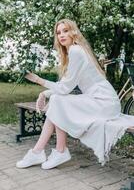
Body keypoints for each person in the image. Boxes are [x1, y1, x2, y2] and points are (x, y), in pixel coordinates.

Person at [16, 19, 134, 169]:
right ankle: (51, 151)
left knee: (59, 100)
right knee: (58, 101)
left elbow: (64, 89)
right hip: (98, 100)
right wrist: (45, 94)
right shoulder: (75, 51)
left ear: (74, 32)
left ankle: (45, 152)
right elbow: (67, 85)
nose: (62, 35)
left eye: (66, 30)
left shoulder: (76, 51)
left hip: (104, 103)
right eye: (58, 32)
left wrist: (38, 80)